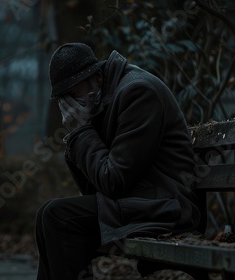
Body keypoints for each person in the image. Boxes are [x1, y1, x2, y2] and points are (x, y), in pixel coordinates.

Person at [35, 42, 201, 279]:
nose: (69, 105)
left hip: (166, 205)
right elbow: (92, 188)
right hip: (137, 201)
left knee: (58, 216)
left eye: (72, 93)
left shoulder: (138, 93)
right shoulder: (101, 100)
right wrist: (79, 134)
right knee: (46, 214)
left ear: (97, 77)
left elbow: (113, 181)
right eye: (63, 98)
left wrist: (81, 132)